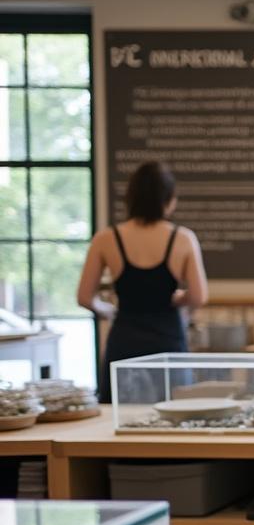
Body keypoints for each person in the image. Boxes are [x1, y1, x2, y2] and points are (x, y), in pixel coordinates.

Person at [78, 161, 207, 403]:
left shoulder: (106, 238)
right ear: (169, 199)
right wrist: (179, 298)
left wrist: (109, 310)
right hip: (168, 339)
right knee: (174, 416)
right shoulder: (183, 239)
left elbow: (84, 297)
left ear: (130, 198)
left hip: (125, 339)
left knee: (117, 419)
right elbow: (199, 296)